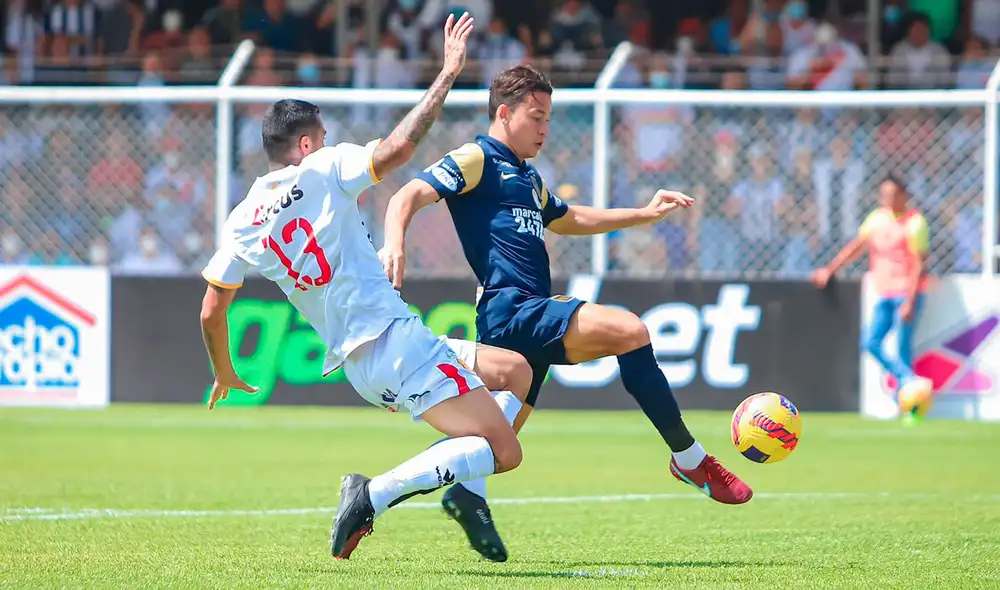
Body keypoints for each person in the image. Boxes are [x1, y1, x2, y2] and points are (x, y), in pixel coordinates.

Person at [380, 63, 753, 563]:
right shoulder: (477, 157)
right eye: (536, 117)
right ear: (505, 113)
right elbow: (407, 194)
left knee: (493, 444)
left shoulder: (527, 175)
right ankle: (689, 459)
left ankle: (457, 495)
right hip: (512, 309)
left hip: (522, 316)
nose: (544, 129)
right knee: (630, 330)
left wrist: (643, 213)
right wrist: (394, 244)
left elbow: (569, 217)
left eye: (548, 119)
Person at [198, 13, 533, 561]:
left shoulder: (242, 221)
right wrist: (448, 73)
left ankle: (465, 492)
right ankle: (372, 494)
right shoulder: (324, 166)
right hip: (396, 343)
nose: (330, 142)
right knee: (506, 450)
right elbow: (398, 149)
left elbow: (212, 311)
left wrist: (224, 370)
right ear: (306, 142)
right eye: (324, 136)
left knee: (515, 371)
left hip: (360, 363)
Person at [812, 176, 933, 423]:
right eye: (884, 195)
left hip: (906, 293)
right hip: (885, 292)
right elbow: (857, 247)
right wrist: (831, 269)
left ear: (903, 195)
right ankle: (909, 382)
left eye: (892, 195)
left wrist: (910, 301)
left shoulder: (915, 223)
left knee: (902, 349)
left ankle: (909, 409)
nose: (887, 200)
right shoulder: (877, 219)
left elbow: (918, 265)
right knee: (870, 341)